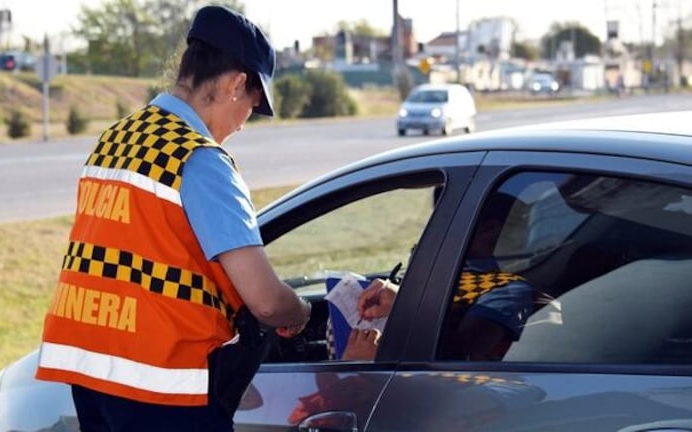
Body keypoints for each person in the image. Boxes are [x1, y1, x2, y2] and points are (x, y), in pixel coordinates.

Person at [35, 5, 311, 431]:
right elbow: (266, 301)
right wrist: (300, 312)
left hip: (93, 374)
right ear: (237, 84)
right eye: (250, 110)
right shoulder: (199, 159)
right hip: (164, 387)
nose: (241, 126)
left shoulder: (115, 138)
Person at [346, 192, 537, 361]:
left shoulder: (507, 289)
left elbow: (462, 354)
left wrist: (365, 365)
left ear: (490, 230)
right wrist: (402, 299)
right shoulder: (445, 272)